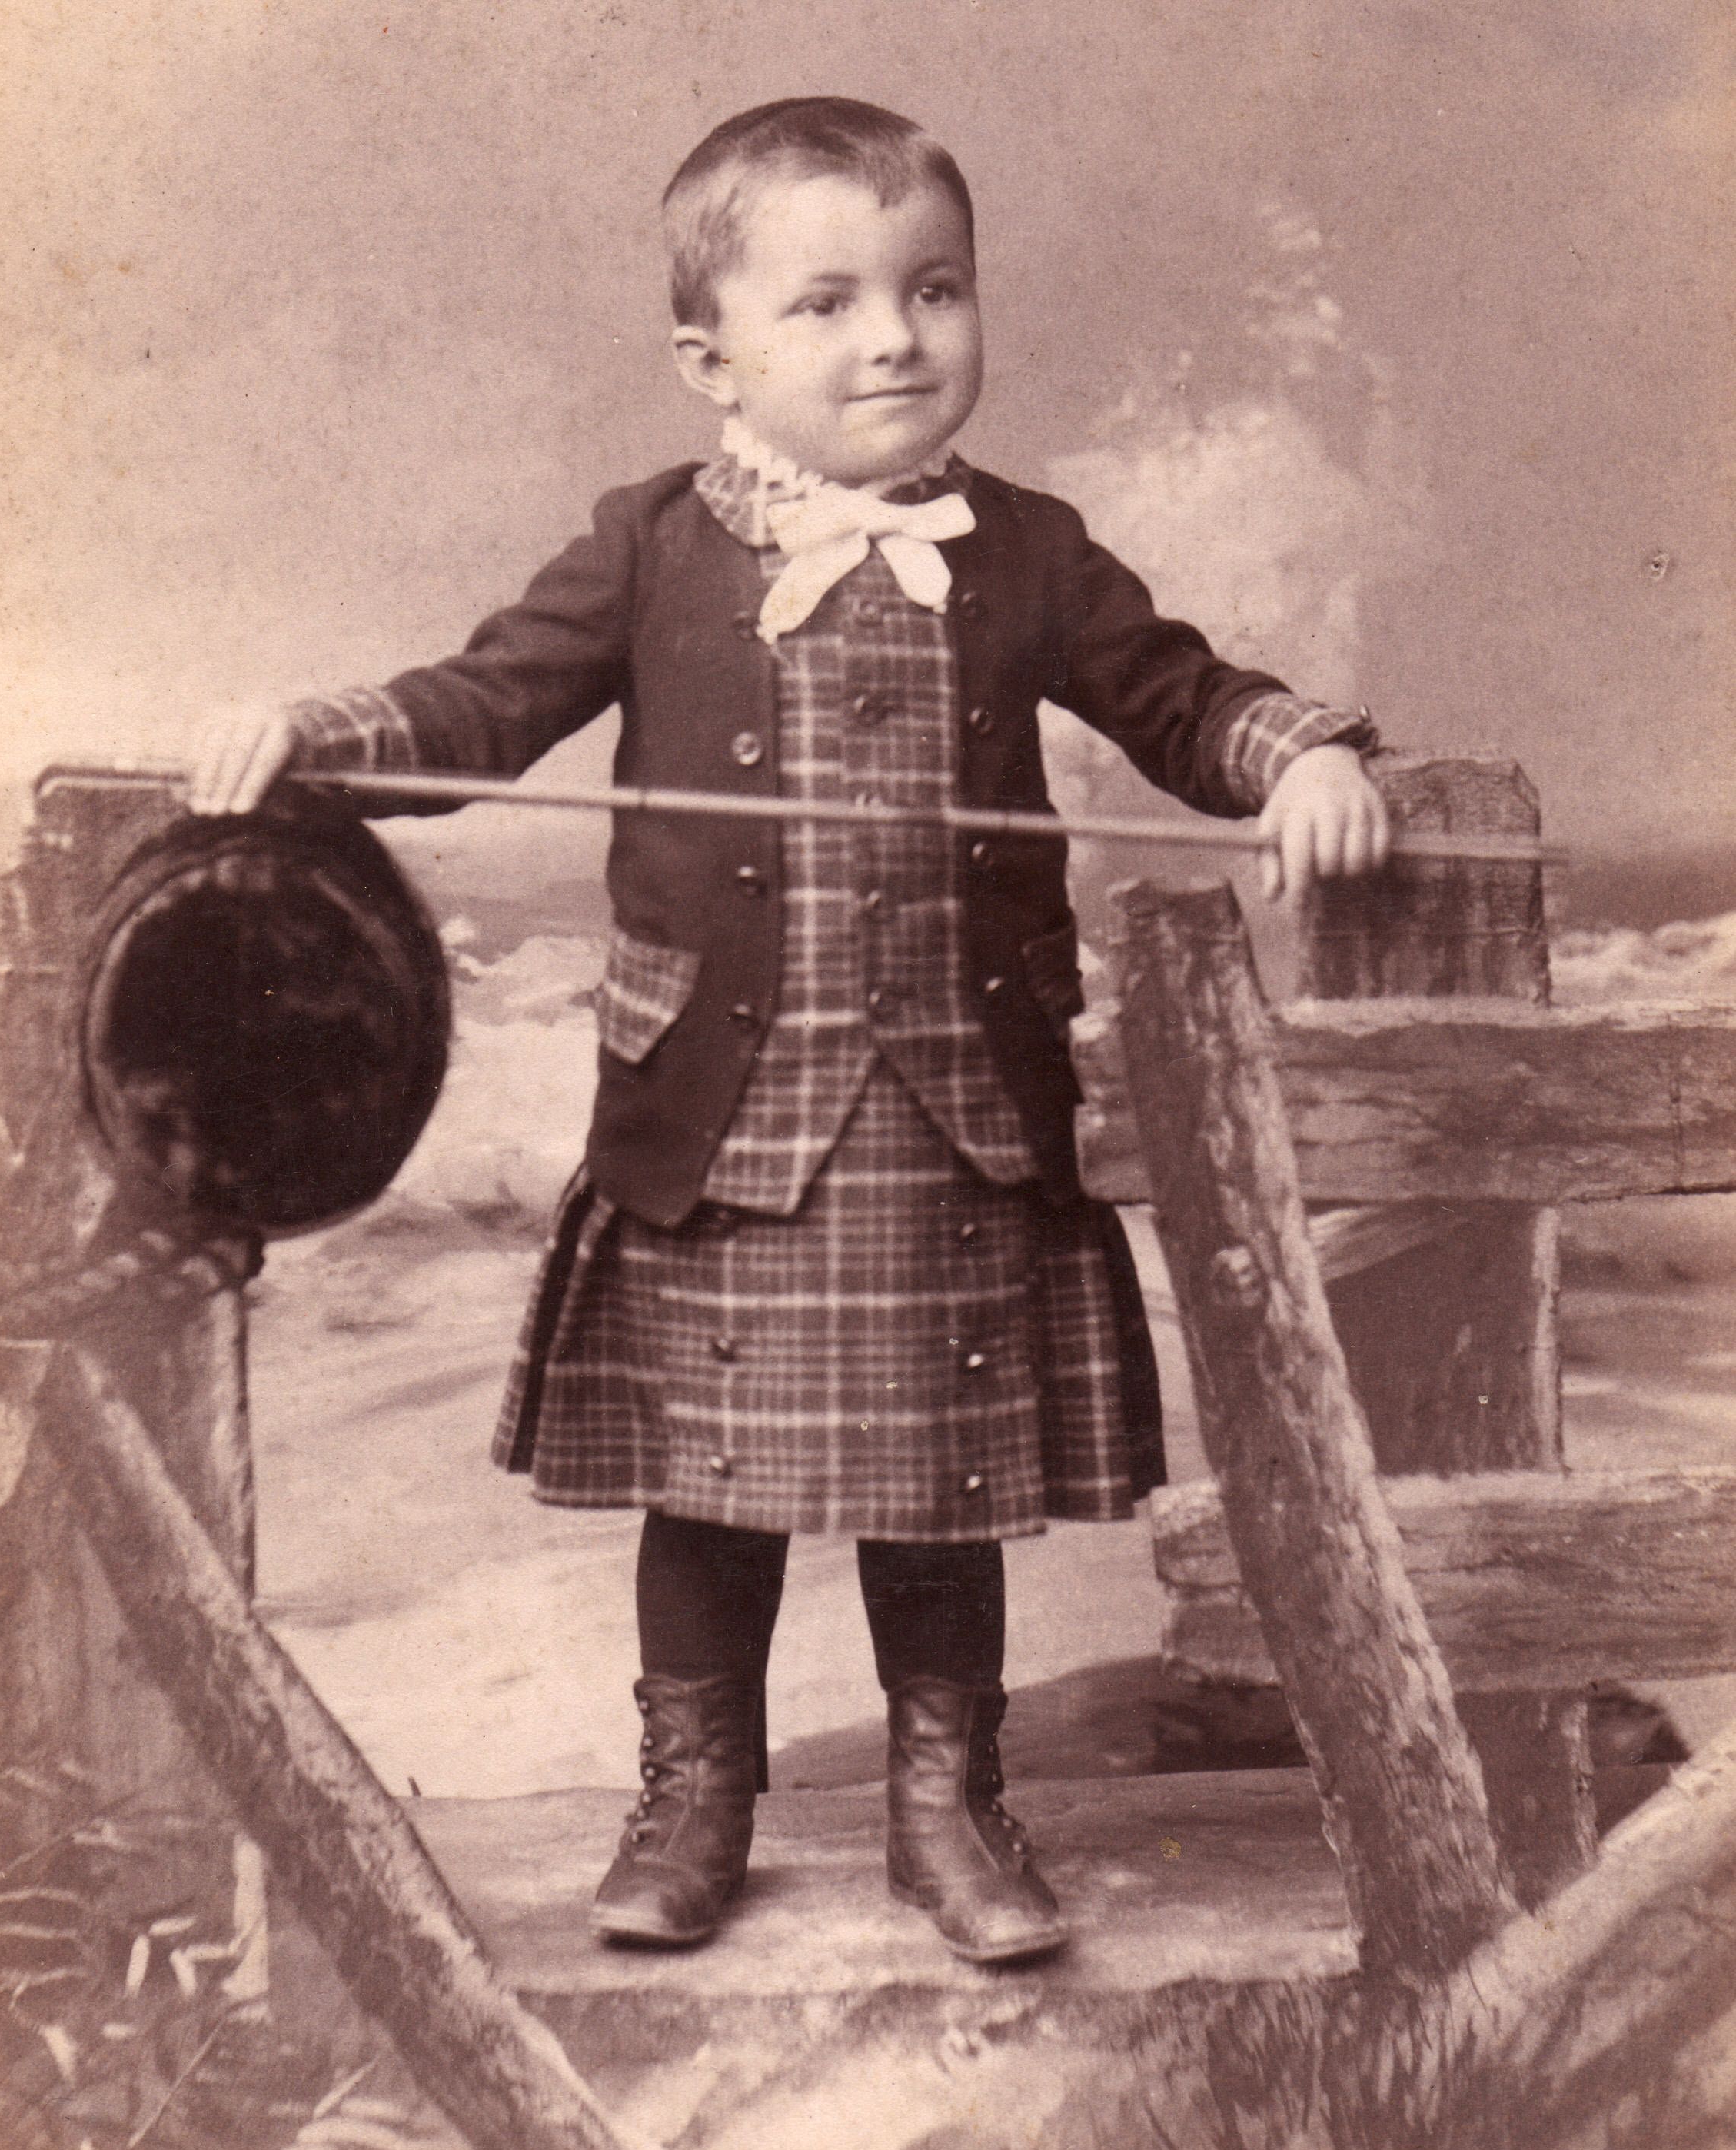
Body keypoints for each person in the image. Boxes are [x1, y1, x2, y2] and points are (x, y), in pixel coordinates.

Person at [191, 96, 1390, 1965]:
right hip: (722, 1115)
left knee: (939, 1489)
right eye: (825, 305)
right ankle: (694, 1805)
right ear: (712, 360)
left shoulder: (1028, 551)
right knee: (709, 1489)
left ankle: (945, 1809)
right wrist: (317, 739)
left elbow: (1180, 697)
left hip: (954, 1119)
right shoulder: (650, 545)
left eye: (934, 290)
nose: (893, 339)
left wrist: (1297, 756)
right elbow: (482, 705)